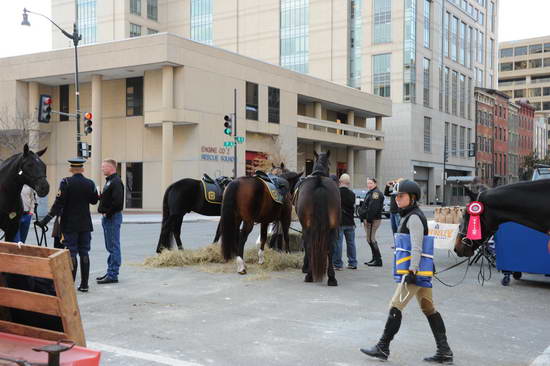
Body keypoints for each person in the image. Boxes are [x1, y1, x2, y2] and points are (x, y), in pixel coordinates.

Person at [360, 179, 453, 364]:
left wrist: (412, 269)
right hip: (421, 271)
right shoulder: (409, 215)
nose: (397, 200)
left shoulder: (414, 218)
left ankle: (382, 347)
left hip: (414, 272)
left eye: (401, 196)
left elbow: (417, 246)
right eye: (396, 197)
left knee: (395, 305)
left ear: (412, 197)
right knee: (428, 308)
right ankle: (445, 351)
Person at [37, 158, 99, 292]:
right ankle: (84, 285)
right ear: (82, 169)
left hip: (70, 224)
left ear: (71, 169)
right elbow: (94, 201)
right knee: (84, 252)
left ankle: (70, 285)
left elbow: (58, 204)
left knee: (71, 252)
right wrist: (96, 192)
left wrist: (46, 220)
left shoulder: (66, 182)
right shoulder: (90, 183)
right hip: (85, 224)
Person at [97, 159, 125, 285]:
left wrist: (107, 213)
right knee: (110, 246)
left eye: (104, 166)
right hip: (108, 218)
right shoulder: (110, 181)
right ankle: (110, 272)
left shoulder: (116, 181)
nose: (102, 168)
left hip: (112, 218)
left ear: (111, 167)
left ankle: (113, 274)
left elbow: (118, 203)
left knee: (113, 246)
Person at [332, 174, 357, 270]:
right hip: (350, 222)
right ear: (349, 183)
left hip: (340, 222)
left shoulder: (336, 192)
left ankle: (338, 264)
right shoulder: (352, 194)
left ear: (340, 182)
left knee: (338, 243)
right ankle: (353, 262)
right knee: (351, 243)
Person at [361, 178, 384, 267]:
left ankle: (378, 260)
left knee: (371, 239)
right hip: (369, 219)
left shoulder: (375, 193)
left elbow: (373, 208)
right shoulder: (371, 192)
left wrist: (369, 219)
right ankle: (375, 258)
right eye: (368, 183)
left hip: (373, 219)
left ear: (375, 183)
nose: (369, 185)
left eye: (370, 183)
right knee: (369, 239)